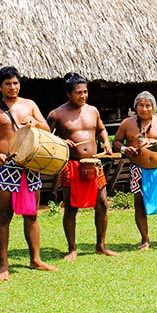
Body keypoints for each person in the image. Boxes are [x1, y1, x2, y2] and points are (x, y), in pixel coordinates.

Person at [0, 66, 56, 280]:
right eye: (8, 84)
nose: (13, 87)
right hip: (6, 166)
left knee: (32, 214)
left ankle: (36, 259)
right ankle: (3, 264)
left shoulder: (29, 105)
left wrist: (35, 123)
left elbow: (47, 128)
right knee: (4, 215)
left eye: (16, 83)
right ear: (0, 86)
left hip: (30, 165)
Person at [47, 72, 116, 261]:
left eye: (85, 92)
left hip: (94, 163)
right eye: (79, 92)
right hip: (71, 165)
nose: (83, 95)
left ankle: (100, 245)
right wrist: (61, 141)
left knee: (102, 203)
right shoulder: (57, 113)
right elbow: (44, 137)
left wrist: (106, 142)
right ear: (69, 93)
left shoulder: (93, 111)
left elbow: (101, 129)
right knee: (71, 207)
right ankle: (72, 248)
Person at [113, 91, 157, 251]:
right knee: (139, 204)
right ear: (136, 107)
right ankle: (145, 240)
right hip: (138, 169)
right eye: (141, 105)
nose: (144, 109)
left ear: (153, 108)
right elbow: (117, 142)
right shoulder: (127, 123)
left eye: (148, 105)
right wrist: (125, 149)